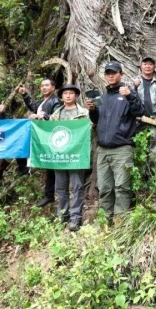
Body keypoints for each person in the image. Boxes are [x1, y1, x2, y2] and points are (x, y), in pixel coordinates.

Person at [85, 61, 144, 221]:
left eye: (114, 72)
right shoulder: (101, 98)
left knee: (122, 187)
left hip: (122, 149)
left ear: (121, 74)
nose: (111, 75)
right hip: (103, 149)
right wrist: (92, 110)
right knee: (104, 188)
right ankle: (105, 220)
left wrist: (131, 95)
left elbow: (140, 111)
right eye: (108, 73)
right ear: (105, 76)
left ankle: (120, 222)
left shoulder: (127, 93)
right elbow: (96, 120)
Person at [50, 84, 89, 232]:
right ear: (61, 97)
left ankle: (75, 217)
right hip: (59, 156)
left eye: (71, 93)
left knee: (77, 186)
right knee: (60, 187)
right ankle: (63, 214)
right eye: (65, 93)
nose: (68, 95)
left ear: (76, 96)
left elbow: (88, 130)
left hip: (76, 155)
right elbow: (49, 132)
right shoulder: (56, 115)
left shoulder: (84, 112)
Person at [18, 79, 61, 207]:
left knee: (51, 167)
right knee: (21, 144)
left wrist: (42, 117)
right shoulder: (43, 101)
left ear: (53, 87)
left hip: (51, 137)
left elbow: (57, 117)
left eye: (47, 85)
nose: (44, 88)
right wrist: (25, 94)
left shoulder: (56, 101)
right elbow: (33, 106)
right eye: (42, 86)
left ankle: (49, 195)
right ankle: (22, 167)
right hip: (40, 136)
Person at [133, 57, 156, 167]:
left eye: (150, 64)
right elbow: (130, 101)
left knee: (154, 152)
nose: (147, 66)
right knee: (139, 151)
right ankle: (141, 179)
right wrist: (134, 87)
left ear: (154, 67)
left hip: (155, 122)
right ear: (141, 67)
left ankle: (153, 178)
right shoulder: (135, 82)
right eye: (145, 64)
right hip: (139, 123)